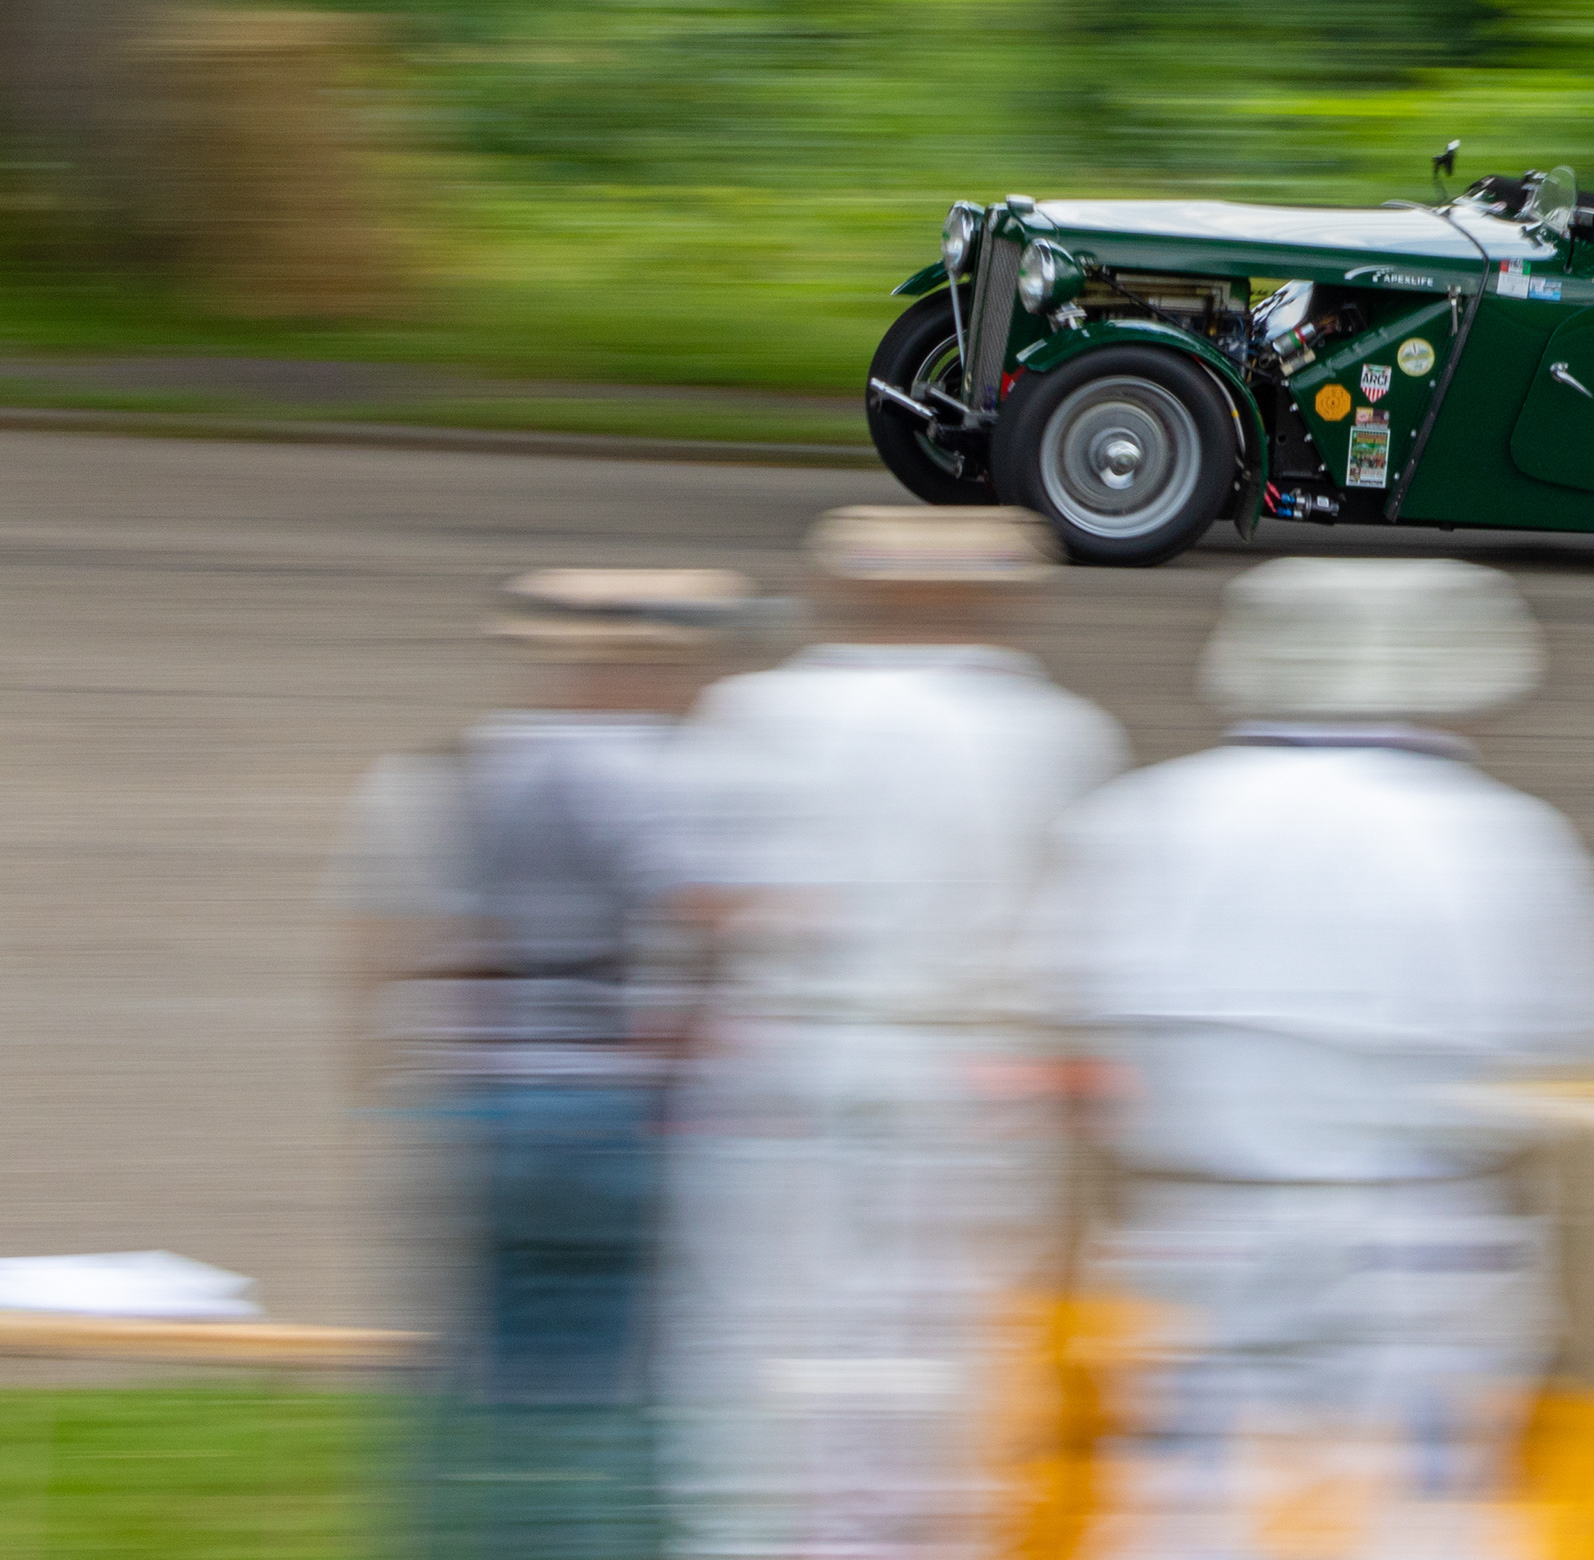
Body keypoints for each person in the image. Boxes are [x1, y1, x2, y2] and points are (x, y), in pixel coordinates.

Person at [1029, 557, 1594, 1560]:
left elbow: (1067, 1052)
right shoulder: (1504, 838)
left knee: (1181, 1517)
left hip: (1197, 1229)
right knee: (1427, 1526)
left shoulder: (1144, 816)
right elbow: (1574, 1078)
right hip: (1424, 1245)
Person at [664, 507, 1128, 1560]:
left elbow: (698, 902)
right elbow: (1080, 944)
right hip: (967, 1071)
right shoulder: (1053, 730)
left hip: (789, 1056)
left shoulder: (755, 712)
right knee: (953, 1357)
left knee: (764, 1341)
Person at [333, 566, 765, 1560]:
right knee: (606, 1384)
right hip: (602, 1108)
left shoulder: (456, 766)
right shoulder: (651, 770)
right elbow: (701, 913)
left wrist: (375, 1091)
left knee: (469, 1370)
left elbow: (381, 943)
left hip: (481, 1102)